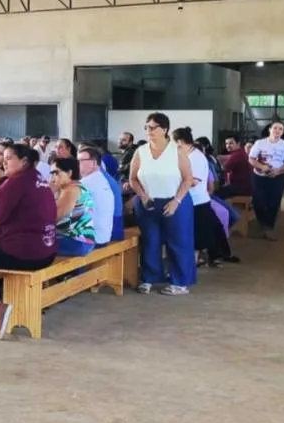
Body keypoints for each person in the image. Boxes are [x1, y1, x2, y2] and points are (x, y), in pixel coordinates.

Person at [0, 144, 57, 339]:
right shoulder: (39, 179)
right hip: (47, 251)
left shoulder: (16, 182)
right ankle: (1, 301)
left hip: (25, 252)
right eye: (3, 158)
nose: (3, 161)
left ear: (23, 161)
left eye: (9, 158)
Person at [129, 112, 195, 296]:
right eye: (147, 127)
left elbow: (188, 179)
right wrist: (141, 195)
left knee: (178, 241)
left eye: (153, 127)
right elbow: (133, 179)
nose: (149, 131)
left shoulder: (177, 150)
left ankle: (180, 282)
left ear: (164, 129)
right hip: (148, 202)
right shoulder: (140, 151)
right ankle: (149, 278)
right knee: (150, 240)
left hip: (175, 202)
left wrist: (176, 201)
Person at [173, 127, 233, 266]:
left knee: (200, 233)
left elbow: (194, 181)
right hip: (192, 200)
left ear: (181, 141)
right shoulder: (187, 155)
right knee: (206, 230)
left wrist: (174, 180)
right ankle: (210, 256)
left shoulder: (196, 157)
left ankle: (197, 260)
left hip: (197, 200)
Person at [248, 121, 284, 240]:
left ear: (283, 132)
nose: (277, 131)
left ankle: (268, 228)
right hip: (259, 177)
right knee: (258, 202)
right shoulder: (260, 143)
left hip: (277, 178)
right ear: (270, 130)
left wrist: (278, 171)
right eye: (275, 128)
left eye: (280, 129)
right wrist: (262, 167)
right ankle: (263, 222)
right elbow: (251, 159)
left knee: (273, 203)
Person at [49, 157, 96, 257]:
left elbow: (53, 217)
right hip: (79, 240)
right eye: (51, 173)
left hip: (76, 241)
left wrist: (48, 193)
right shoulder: (73, 187)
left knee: (30, 245)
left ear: (69, 173)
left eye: (56, 173)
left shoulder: (71, 190)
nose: (52, 177)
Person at [79, 146, 123, 242]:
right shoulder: (102, 178)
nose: (78, 164)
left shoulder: (86, 183)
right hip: (104, 236)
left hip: (93, 239)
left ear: (94, 163)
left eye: (81, 160)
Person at [217, 134, 252, 199]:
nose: (228, 146)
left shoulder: (237, 155)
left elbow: (223, 168)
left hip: (241, 187)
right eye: (226, 143)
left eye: (231, 143)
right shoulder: (240, 152)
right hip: (244, 186)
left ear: (238, 144)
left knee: (215, 194)